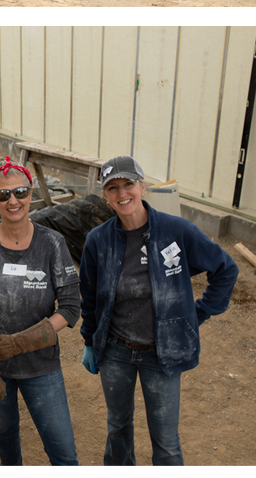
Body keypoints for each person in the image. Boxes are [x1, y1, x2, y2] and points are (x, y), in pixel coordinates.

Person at [79, 155, 238, 466]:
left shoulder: (176, 231)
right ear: (105, 195)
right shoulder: (98, 241)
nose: (122, 193)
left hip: (162, 353)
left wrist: (198, 313)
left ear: (143, 186)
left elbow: (225, 269)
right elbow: (89, 295)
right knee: (118, 427)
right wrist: (89, 341)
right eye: (113, 188)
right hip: (115, 351)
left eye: (128, 185)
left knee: (165, 442)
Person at [0, 156, 80, 466]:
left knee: (63, 450)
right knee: (6, 432)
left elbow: (70, 307)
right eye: (3, 195)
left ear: (31, 193)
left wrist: (22, 342)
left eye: (21, 192)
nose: (14, 200)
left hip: (41, 365)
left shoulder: (52, 243)